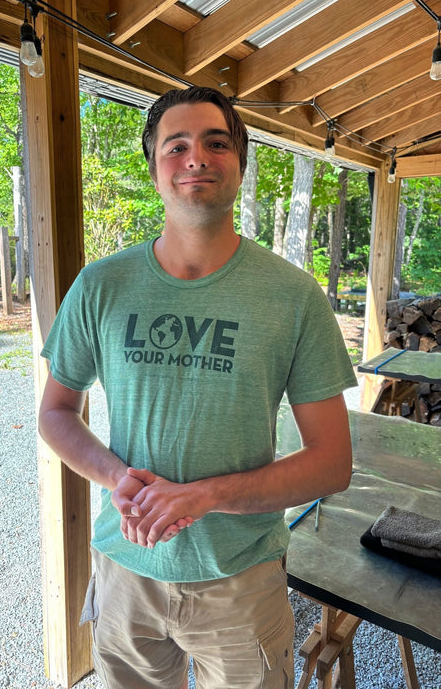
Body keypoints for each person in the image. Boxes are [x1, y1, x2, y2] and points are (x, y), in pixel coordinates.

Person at [38, 85, 358, 689]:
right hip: (125, 569)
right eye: (176, 145)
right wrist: (117, 477)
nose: (196, 158)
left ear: (239, 162)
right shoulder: (101, 285)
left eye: (216, 143)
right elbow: (56, 411)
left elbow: (332, 463)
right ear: (154, 166)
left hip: (241, 580)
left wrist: (204, 496)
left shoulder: (293, 297)